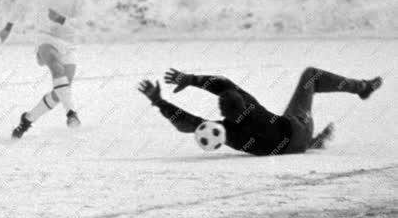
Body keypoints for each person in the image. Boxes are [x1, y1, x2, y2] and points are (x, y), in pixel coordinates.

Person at [138, 67, 383, 155]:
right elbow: (223, 83)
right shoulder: (250, 106)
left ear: (223, 111)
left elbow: (187, 123)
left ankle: (310, 143)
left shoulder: (225, 131)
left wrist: (159, 101)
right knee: (311, 77)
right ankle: (362, 88)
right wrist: (191, 79)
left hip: (291, 146)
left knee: (281, 136)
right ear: (243, 103)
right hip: (299, 128)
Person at [0, 0, 88, 138]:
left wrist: (62, 19)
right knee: (57, 69)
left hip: (69, 41)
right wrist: (8, 25)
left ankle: (28, 118)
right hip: (45, 37)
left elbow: (82, 21)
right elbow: (21, 4)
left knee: (62, 91)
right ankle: (71, 114)